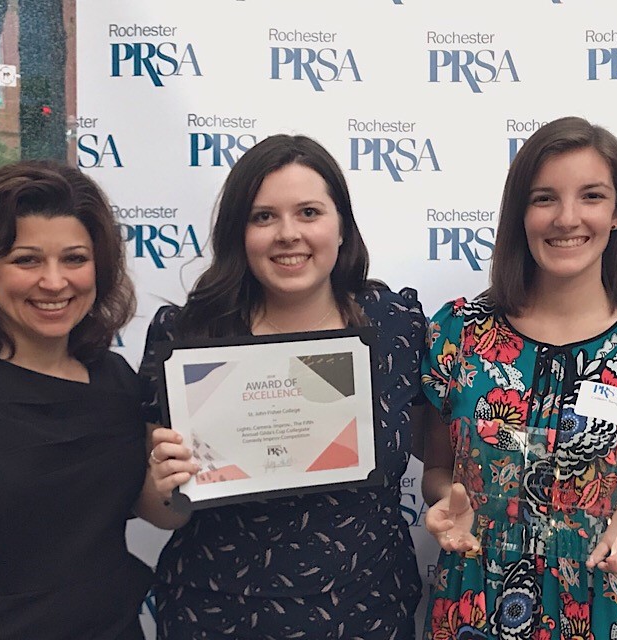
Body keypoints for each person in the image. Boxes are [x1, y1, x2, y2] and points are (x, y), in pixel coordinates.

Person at [419, 116, 617, 640]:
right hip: (475, 601)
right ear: (520, 215)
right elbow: (438, 469)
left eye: (591, 196)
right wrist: (444, 503)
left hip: (600, 605)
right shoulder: (457, 332)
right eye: (544, 198)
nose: (567, 218)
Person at [137, 134, 425, 639]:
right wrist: (163, 486)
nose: (287, 234)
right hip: (217, 612)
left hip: (364, 610)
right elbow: (160, 514)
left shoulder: (396, 325)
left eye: (309, 212)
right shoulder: (186, 338)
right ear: (238, 233)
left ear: (341, 227)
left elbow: (438, 450)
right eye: (263, 216)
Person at [0, 160, 152, 639]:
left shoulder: (117, 379)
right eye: (27, 260)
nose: (54, 282)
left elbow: (152, 509)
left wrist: (175, 480)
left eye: (74, 259)